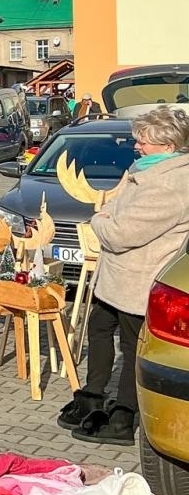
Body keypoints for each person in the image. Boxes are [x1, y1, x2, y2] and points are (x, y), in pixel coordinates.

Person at [60, 106, 189, 445]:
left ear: (167, 145)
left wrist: (98, 220)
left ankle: (123, 417)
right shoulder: (144, 171)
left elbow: (120, 231)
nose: (137, 146)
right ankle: (92, 397)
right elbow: (113, 210)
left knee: (132, 346)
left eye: (143, 140)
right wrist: (106, 215)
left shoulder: (172, 184)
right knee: (100, 329)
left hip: (138, 279)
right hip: (115, 275)